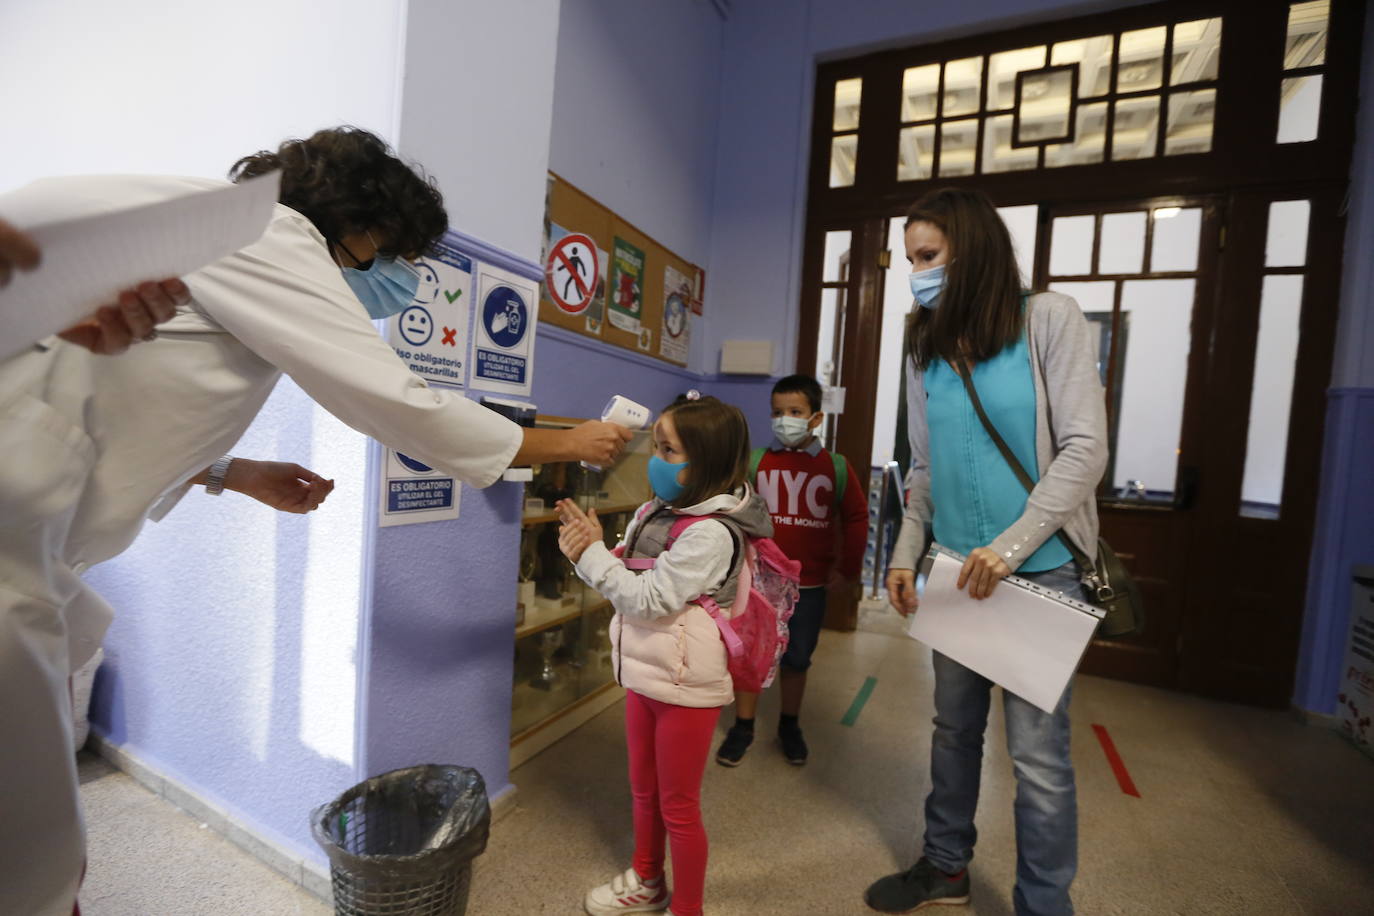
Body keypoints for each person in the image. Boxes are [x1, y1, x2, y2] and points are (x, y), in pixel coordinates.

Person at [0, 126, 632, 916]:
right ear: (359, 220)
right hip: (11, 529)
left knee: (35, 836)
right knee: (33, 860)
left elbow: (119, 396)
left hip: (30, 518)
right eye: (395, 250)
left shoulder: (207, 230)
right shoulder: (267, 229)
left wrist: (233, 472)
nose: (397, 275)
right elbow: (394, 399)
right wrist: (565, 440)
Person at [863, 188, 1108, 916]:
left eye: (929, 257)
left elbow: (1085, 451)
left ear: (973, 250)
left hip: (1041, 570)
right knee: (952, 731)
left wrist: (1006, 549)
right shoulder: (924, 344)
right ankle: (945, 868)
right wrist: (905, 555)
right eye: (912, 260)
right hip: (956, 572)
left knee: (1037, 761)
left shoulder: (1048, 320)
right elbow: (926, 468)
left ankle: (1043, 904)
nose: (919, 273)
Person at [556, 393, 770, 916]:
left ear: (707, 460)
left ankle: (686, 908)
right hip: (645, 673)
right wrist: (592, 551)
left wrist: (592, 560)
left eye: (668, 450)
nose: (656, 459)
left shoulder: (713, 534)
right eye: (657, 446)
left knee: (678, 807)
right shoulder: (658, 510)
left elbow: (648, 599)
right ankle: (648, 883)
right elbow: (629, 569)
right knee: (643, 792)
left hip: (685, 686)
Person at [714, 373, 866, 766]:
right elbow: (733, 512)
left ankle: (789, 724)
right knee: (750, 654)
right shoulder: (755, 462)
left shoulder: (835, 466)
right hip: (759, 583)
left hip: (809, 586)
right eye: (778, 412)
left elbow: (856, 518)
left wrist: (847, 570)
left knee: (798, 658)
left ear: (815, 418)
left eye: (795, 412)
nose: (785, 420)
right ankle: (743, 726)